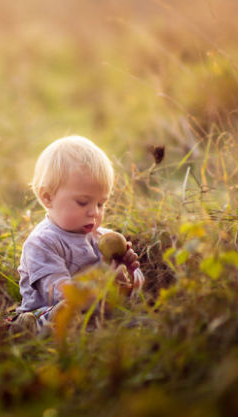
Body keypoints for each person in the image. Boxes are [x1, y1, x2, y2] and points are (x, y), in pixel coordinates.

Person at [15, 135, 144, 331]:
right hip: (48, 311)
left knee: (134, 319)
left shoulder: (102, 237)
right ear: (48, 197)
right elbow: (60, 293)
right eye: (83, 202)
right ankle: (25, 328)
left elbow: (127, 293)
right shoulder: (41, 243)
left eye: (101, 203)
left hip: (93, 310)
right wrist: (104, 282)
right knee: (62, 312)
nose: (94, 212)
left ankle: (99, 328)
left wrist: (128, 273)